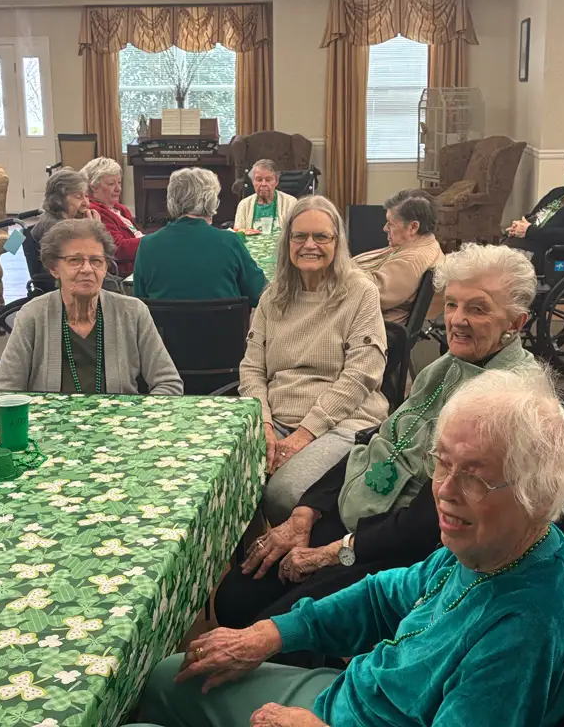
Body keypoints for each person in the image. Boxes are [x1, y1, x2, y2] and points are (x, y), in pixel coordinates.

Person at [126, 368, 564, 727]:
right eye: (442, 462)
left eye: (474, 475)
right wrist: (271, 634)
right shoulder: (488, 546)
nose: (444, 490)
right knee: (169, 676)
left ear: (537, 494)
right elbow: (383, 596)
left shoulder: (526, 628)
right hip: (358, 696)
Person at [215, 242, 540, 630]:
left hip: (409, 552)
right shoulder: (448, 365)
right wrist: (305, 514)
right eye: (451, 304)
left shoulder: (506, 400)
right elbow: (379, 438)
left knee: (275, 625)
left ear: (516, 323)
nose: (456, 319)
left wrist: (334, 552)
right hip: (365, 510)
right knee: (235, 596)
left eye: (478, 308)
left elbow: (428, 523)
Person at [240, 194, 388, 527]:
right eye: (299, 236)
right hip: (276, 419)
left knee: (283, 493)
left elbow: (361, 375)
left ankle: (292, 564)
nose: (310, 245)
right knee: (223, 476)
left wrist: (302, 435)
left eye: (321, 236)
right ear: (287, 242)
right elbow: (251, 369)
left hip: (342, 421)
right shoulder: (273, 295)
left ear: (338, 242)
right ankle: (251, 560)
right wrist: (263, 425)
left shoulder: (360, 292)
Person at [0, 219, 183, 396]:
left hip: (118, 427)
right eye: (75, 260)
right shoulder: (33, 315)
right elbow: (1, 392)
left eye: (96, 261)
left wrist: (139, 421)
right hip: (50, 430)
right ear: (54, 268)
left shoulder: (132, 312)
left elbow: (168, 383)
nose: (88, 269)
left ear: (105, 267)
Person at [133, 167, 266, 306]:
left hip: (164, 327)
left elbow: (139, 303)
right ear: (211, 200)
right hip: (224, 326)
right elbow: (258, 293)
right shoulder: (230, 242)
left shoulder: (147, 245)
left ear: (171, 199)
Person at [355, 189, 444, 324]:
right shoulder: (422, 243)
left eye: (390, 223)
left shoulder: (410, 262)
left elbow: (366, 296)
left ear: (413, 227)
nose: (385, 228)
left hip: (367, 330)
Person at [504, 147, 564, 271]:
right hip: (519, 247)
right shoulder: (558, 192)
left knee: (490, 267)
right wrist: (519, 227)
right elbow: (533, 216)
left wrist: (528, 231)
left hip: (543, 256)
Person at [82, 156, 143, 276]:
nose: (118, 189)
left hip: (140, 263)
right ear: (93, 186)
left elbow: (136, 236)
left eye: (119, 182)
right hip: (127, 272)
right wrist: (154, 242)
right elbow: (118, 249)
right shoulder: (95, 211)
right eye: (111, 184)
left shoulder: (120, 209)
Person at [31, 167, 100, 243]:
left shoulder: (67, 222)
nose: (87, 203)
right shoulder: (56, 228)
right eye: (78, 197)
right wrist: (93, 230)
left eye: (86, 196)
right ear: (58, 200)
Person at [234, 159, 297, 231]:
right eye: (259, 179)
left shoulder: (291, 203)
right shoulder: (244, 205)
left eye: (268, 180)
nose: (263, 184)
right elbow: (238, 234)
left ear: (276, 182)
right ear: (253, 182)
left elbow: (295, 233)